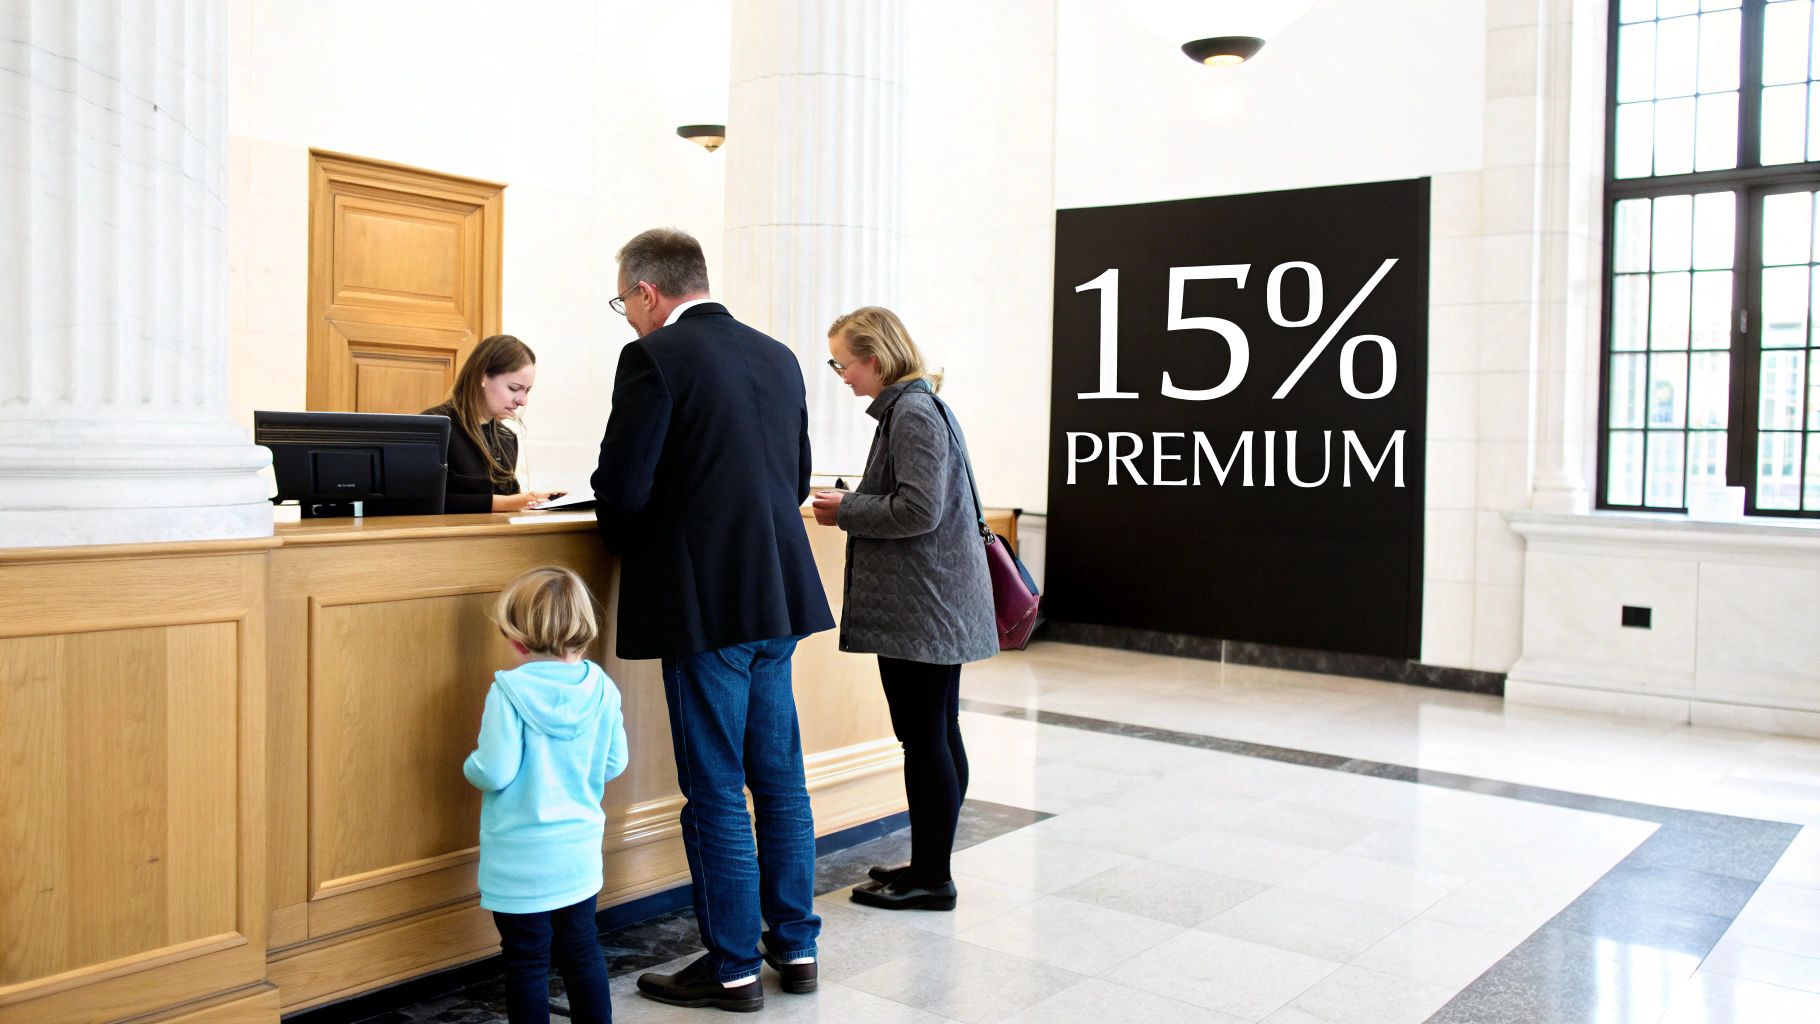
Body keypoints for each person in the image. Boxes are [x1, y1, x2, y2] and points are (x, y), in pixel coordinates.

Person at [591, 228, 834, 1011]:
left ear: (648, 292)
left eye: (624, 300)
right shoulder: (777, 354)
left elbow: (622, 490)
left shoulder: (654, 357)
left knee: (719, 790)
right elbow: (793, 474)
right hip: (778, 594)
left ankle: (730, 967)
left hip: (705, 604)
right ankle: (794, 949)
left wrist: (644, 544)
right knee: (781, 780)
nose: (627, 316)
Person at [810, 306, 996, 912]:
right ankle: (928, 862)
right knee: (938, 732)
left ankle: (933, 877)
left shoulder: (912, 412)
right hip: (934, 602)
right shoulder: (914, 408)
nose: (841, 374)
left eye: (844, 361)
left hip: (924, 607)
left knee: (925, 738)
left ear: (876, 358)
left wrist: (847, 509)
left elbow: (920, 510)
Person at [463, 566, 628, 1024]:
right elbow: (614, 763)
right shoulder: (601, 688)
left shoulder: (508, 692)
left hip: (520, 859)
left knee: (526, 961)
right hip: (577, 852)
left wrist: (468, 767)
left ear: (516, 639)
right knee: (581, 950)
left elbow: (493, 771)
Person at [424, 334, 565, 513]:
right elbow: (425, 500)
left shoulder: (507, 437)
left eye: (527, 390)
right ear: (482, 377)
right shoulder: (434, 428)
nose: (523, 401)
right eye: (514, 388)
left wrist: (532, 501)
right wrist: (522, 500)